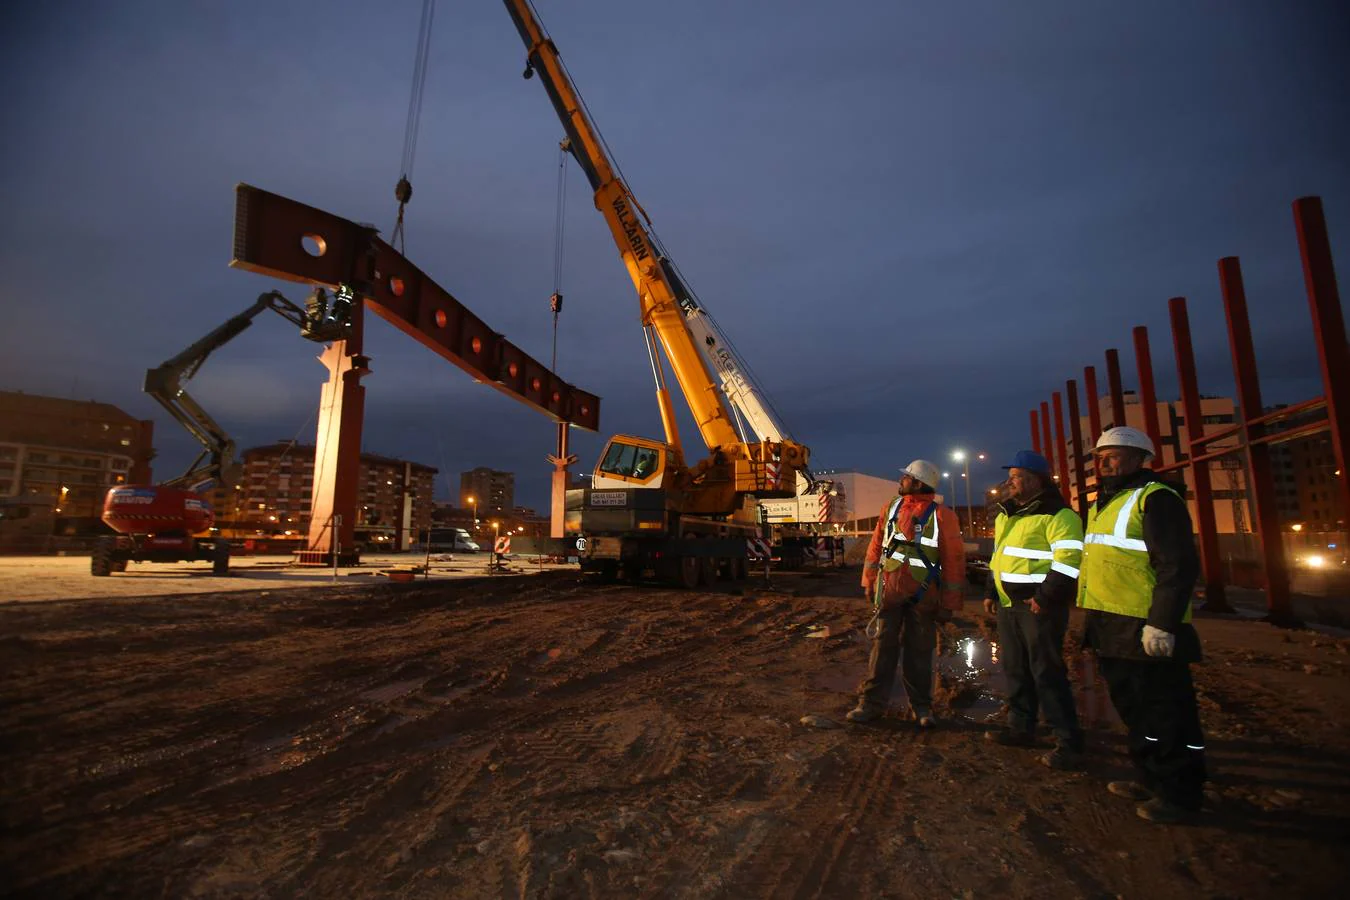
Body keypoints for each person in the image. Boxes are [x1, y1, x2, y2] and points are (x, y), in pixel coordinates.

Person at [1079, 426, 1206, 824]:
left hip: (1145, 627)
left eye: (1112, 456)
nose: (1103, 464)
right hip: (1112, 625)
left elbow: (1177, 565)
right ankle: (1151, 778)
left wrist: (1162, 624)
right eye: (1099, 457)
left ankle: (1180, 794)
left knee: (1167, 713)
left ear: (1139, 458)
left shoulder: (1156, 499)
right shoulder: (1106, 502)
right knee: (1135, 711)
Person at [981, 450, 1086, 769]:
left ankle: (1067, 739)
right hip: (1009, 605)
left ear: (1035, 480)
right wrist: (991, 591)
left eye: (1016, 477)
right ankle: (1021, 727)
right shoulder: (1007, 514)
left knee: (1047, 672)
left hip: (1038, 607)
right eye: (1010, 476)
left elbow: (1068, 562)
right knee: (1016, 668)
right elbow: (998, 557)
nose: (1009, 482)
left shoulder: (1059, 516)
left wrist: (1046, 597)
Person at [848, 459, 965, 727]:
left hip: (923, 597)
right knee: (882, 649)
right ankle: (871, 704)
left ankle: (922, 708)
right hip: (889, 592)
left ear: (918, 483)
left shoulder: (942, 516)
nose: (901, 481)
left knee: (919, 652)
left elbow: (954, 561)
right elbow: (876, 546)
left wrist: (949, 603)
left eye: (906, 477)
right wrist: (868, 581)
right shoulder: (891, 508)